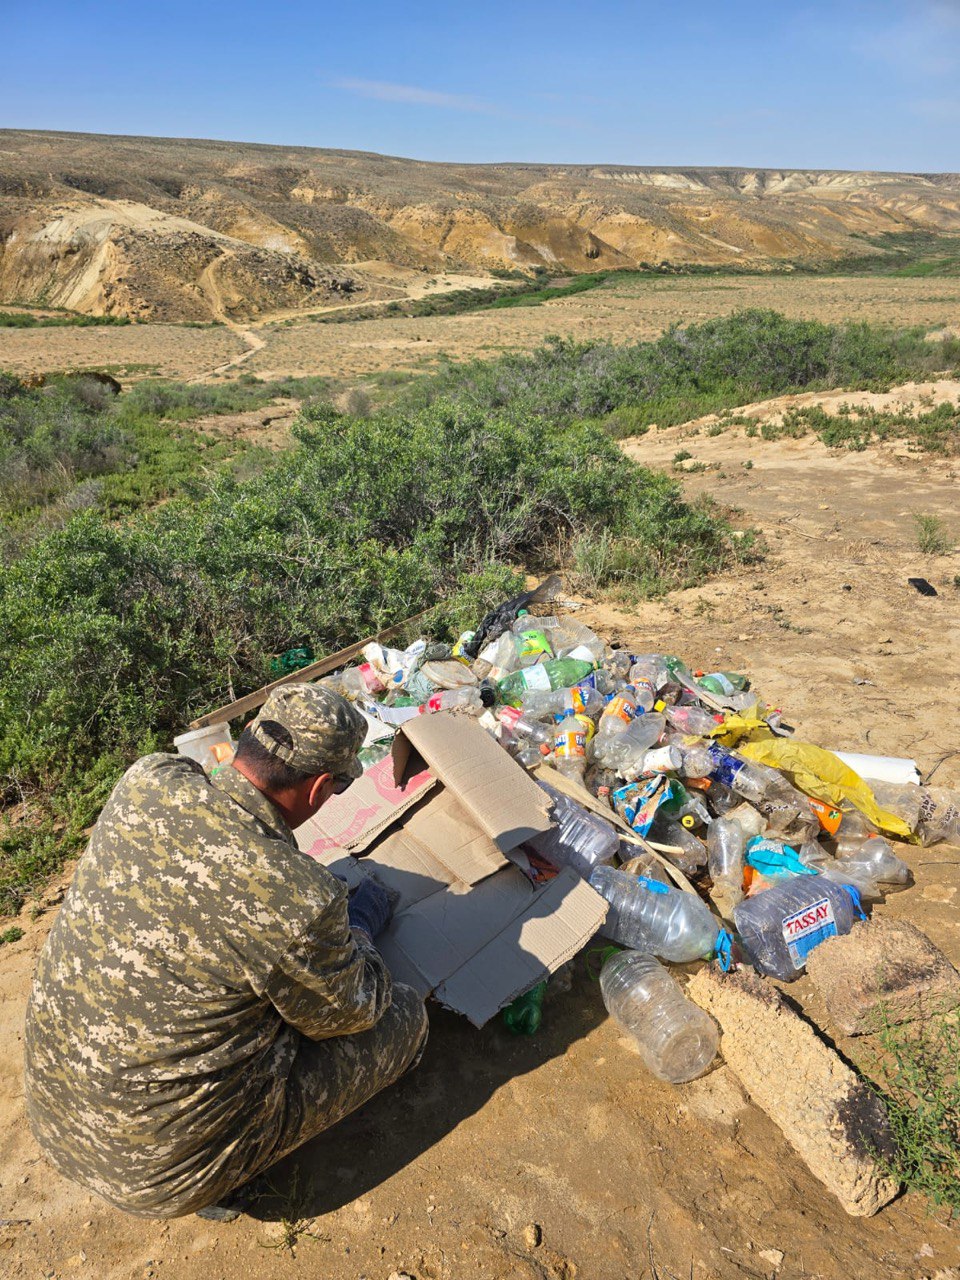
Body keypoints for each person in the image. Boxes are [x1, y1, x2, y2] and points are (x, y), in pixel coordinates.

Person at [23, 683, 428, 1220]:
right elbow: (354, 1011)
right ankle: (224, 1174)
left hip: (55, 1120)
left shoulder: (150, 778)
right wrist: (357, 930)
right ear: (320, 788)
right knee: (404, 1016)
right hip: (161, 1173)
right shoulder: (298, 900)